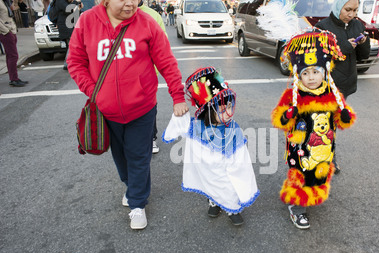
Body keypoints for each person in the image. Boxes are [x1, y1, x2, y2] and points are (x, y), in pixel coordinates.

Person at [67, 0, 189, 230]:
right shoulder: (86, 22)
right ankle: (131, 186)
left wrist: (178, 96)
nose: (131, 3)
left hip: (141, 108)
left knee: (139, 156)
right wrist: (95, 92)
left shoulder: (147, 23)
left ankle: (137, 204)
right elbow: (75, 62)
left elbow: (166, 62)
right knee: (120, 156)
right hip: (107, 111)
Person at [271, 30, 356, 229]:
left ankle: (314, 193)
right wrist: (286, 116)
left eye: (315, 72)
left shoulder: (331, 93)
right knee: (300, 172)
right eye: (305, 73)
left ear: (324, 71)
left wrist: (344, 116)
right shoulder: (293, 94)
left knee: (319, 172)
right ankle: (296, 206)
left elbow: (342, 119)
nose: (310, 78)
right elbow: (279, 118)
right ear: (298, 74)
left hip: (324, 146)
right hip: (301, 147)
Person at [162, 67, 260, 226]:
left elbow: (241, 155)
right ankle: (214, 201)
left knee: (230, 186)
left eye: (229, 107)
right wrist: (179, 110)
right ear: (208, 110)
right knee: (210, 183)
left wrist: (237, 168)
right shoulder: (196, 127)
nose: (228, 112)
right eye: (222, 109)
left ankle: (231, 208)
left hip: (228, 169)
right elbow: (179, 125)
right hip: (208, 171)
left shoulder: (233, 129)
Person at [315, 0, 369, 173]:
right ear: (338, 7)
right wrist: (344, 47)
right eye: (348, 10)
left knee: (331, 123)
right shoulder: (323, 27)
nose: (352, 14)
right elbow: (316, 58)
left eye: (355, 10)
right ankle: (326, 158)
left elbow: (363, 56)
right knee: (325, 123)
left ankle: (326, 156)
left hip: (345, 84)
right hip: (325, 85)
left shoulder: (357, 25)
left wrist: (363, 43)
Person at [138, 0, 167, 154]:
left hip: (147, 75)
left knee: (149, 107)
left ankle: (151, 138)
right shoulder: (108, 14)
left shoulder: (153, 15)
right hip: (120, 78)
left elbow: (164, 47)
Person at [0, 0, 29, 86]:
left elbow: (12, 9)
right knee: (13, 55)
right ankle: (14, 79)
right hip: (5, 31)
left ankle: (13, 77)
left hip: (11, 29)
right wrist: (6, 31)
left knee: (10, 55)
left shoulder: (5, 2)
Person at [54, 0, 83, 70]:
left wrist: (78, 6)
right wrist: (76, 2)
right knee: (71, 44)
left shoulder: (68, 2)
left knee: (71, 45)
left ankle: (69, 63)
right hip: (65, 26)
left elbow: (75, 13)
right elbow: (69, 9)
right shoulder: (60, 2)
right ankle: (67, 64)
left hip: (70, 26)